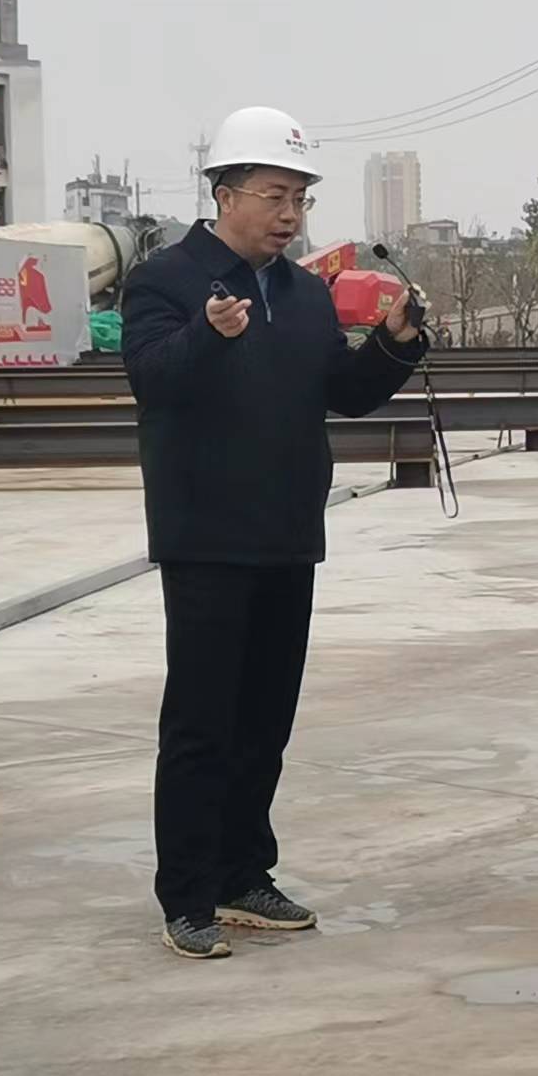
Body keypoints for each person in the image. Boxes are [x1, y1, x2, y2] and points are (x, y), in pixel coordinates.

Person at [122, 106, 427, 959]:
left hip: (288, 532)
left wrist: (394, 345)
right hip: (206, 536)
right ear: (225, 194)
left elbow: (343, 392)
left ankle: (243, 874)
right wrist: (207, 336)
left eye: (300, 198)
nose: (290, 214)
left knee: (264, 719)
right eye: (274, 195)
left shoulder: (303, 294)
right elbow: (151, 379)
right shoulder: (166, 282)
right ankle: (188, 894)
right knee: (201, 722)